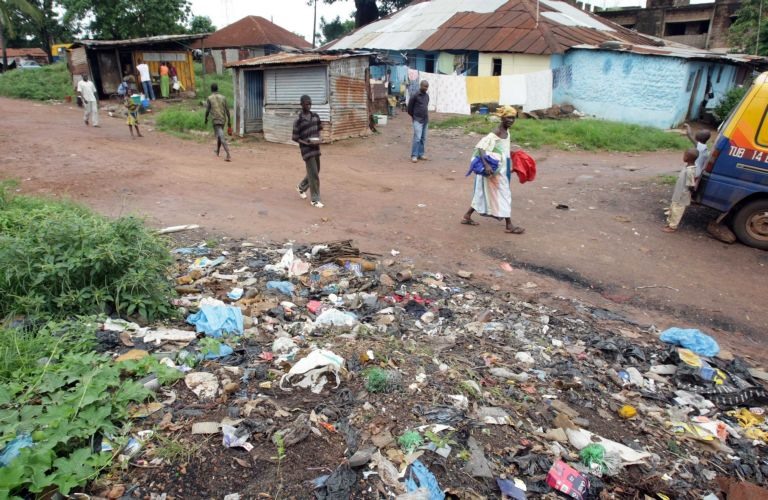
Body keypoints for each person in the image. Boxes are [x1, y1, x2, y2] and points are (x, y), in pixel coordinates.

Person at [460, 106, 525, 234]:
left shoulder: (506, 131)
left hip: (501, 169)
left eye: (513, 118)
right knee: (505, 194)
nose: (511, 120)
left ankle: (467, 216)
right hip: (495, 172)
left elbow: (500, 147)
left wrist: (511, 154)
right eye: (508, 117)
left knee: (481, 193)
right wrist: (487, 165)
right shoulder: (498, 131)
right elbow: (481, 147)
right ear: (502, 118)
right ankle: (509, 225)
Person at [292, 95, 324, 208]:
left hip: (316, 148)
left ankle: (301, 187)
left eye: (310, 103)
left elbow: (319, 129)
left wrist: (320, 139)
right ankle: (315, 199)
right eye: (306, 103)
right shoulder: (298, 120)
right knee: (314, 173)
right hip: (306, 149)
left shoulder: (315, 116)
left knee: (316, 170)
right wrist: (306, 143)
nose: (308, 105)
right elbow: (295, 137)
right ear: (301, 105)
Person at [662, 148, 699, 233]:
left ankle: (672, 226)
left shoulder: (690, 170)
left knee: (677, 211)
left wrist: (690, 193)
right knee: (673, 208)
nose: (683, 157)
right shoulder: (687, 167)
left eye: (685, 155)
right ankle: (670, 223)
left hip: (682, 195)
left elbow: (691, 185)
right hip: (678, 194)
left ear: (688, 158)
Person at [204, 83, 231, 162]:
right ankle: (218, 151)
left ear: (211, 89)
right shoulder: (223, 97)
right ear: (217, 89)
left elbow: (207, 110)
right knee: (220, 135)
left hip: (216, 120)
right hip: (223, 119)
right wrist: (229, 121)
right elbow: (227, 110)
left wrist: (206, 119)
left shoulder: (209, 98)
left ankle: (228, 154)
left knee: (221, 137)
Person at [407, 79, 429, 163]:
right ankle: (414, 155)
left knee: (423, 138)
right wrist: (414, 116)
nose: (426, 88)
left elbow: (425, 106)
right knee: (417, 138)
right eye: (424, 86)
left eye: (427, 87)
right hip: (417, 120)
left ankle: (421, 154)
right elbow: (409, 108)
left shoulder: (427, 96)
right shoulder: (415, 95)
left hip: (425, 120)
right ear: (421, 86)